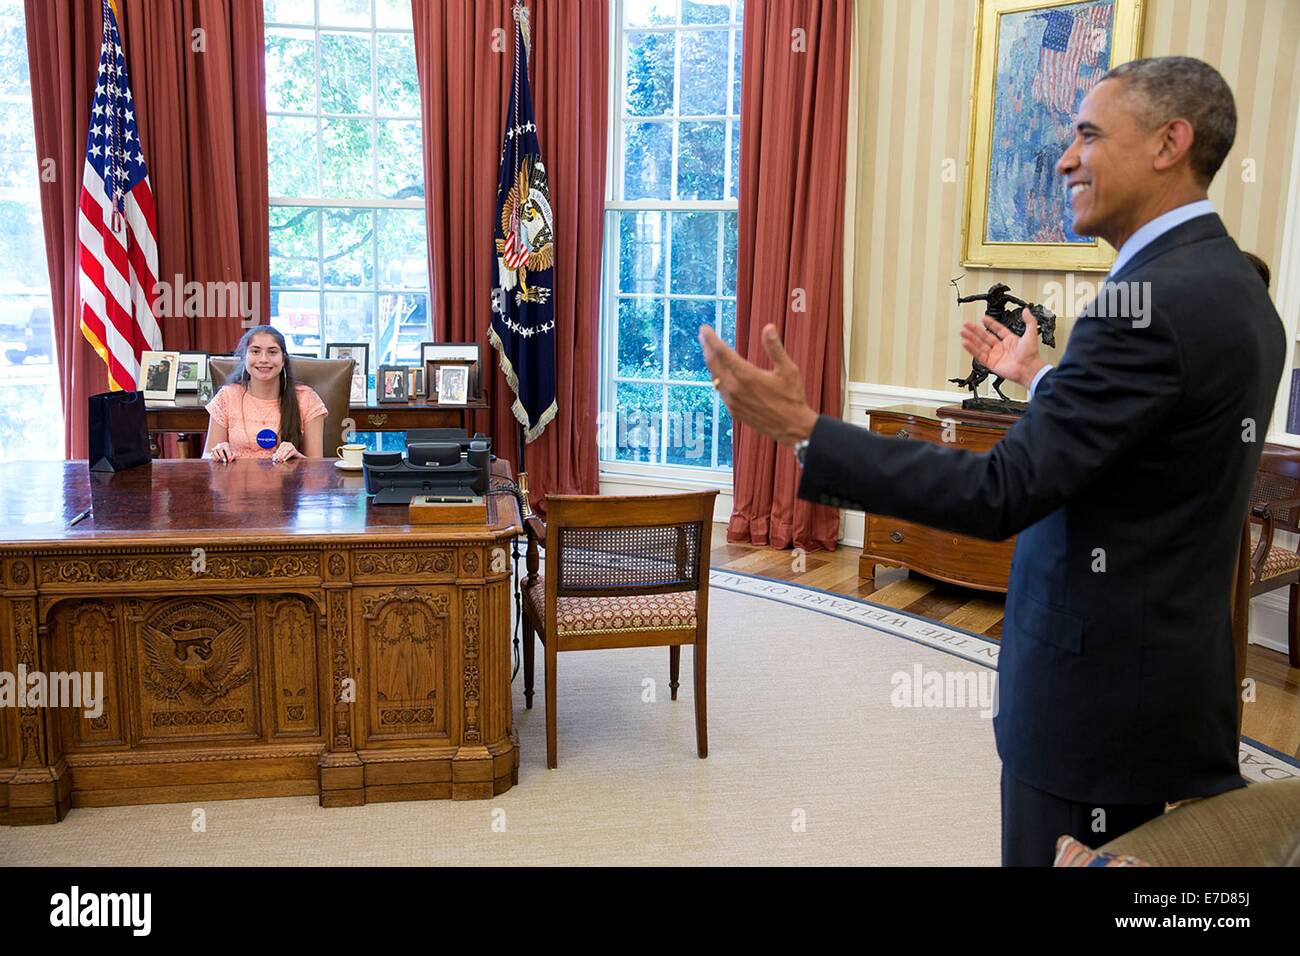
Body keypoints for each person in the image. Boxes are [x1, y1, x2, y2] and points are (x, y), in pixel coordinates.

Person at [699, 56, 1285, 865]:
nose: (1065, 158)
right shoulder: (1234, 288)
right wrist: (1042, 378)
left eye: (1087, 134)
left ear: (1169, 143)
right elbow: (1147, 452)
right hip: (1164, 685)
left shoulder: (1147, 303)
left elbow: (998, 489)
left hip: (1096, 712)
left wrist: (807, 431)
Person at [204, 326, 328, 463]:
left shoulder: (307, 399)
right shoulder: (226, 397)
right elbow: (206, 458)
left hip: (289, 483)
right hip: (236, 482)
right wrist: (216, 454)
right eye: (255, 351)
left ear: (283, 359)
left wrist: (297, 458)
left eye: (272, 352)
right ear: (244, 357)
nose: (263, 359)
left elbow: (317, 467)